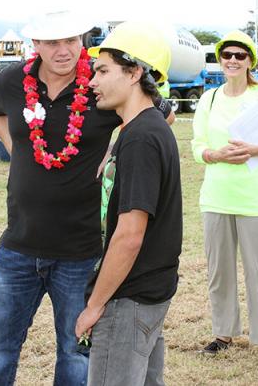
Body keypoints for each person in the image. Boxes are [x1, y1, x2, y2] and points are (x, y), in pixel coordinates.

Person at [0, 12, 173, 386]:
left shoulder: (103, 80)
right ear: (35, 45)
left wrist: (117, 147)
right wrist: (17, 147)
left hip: (81, 251)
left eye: (70, 40)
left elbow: (159, 113)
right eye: (51, 42)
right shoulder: (11, 81)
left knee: (76, 352)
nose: (63, 50)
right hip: (18, 246)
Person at [75, 21, 182, 386]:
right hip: (149, 292)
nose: (93, 81)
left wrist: (94, 306)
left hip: (129, 298)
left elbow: (130, 235)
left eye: (103, 71)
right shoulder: (146, 128)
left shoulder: (141, 138)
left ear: (135, 72)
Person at [190, 30, 258, 375]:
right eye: (225, 54)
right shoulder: (208, 99)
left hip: (257, 201)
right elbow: (196, 145)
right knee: (219, 274)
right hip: (215, 199)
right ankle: (223, 333)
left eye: (239, 55)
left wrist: (253, 151)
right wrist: (213, 154)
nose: (231, 60)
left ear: (250, 61)